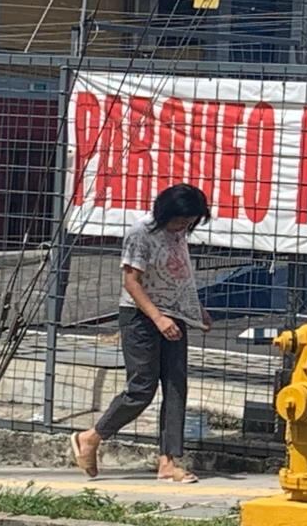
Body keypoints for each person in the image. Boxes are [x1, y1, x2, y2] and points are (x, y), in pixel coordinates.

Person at [71, 184, 214, 483]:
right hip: (142, 318)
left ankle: (169, 460)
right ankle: (92, 437)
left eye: (189, 222)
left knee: (176, 387)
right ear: (166, 212)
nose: (183, 226)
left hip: (175, 315)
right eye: (180, 220)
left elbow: (180, 274)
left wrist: (195, 307)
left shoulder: (178, 234)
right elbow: (131, 282)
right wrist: (158, 318)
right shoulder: (141, 234)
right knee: (141, 388)